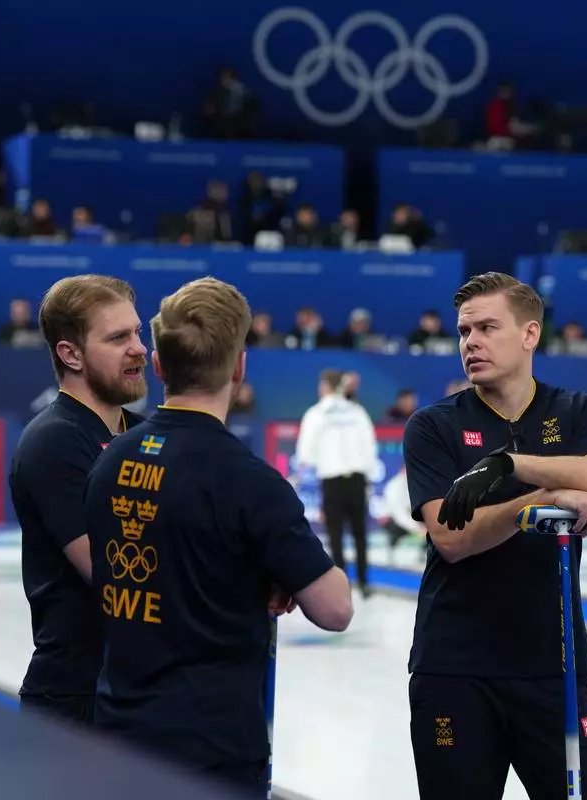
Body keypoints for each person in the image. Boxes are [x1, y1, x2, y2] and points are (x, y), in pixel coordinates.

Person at [83, 276, 353, 794]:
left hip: (117, 735)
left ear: (159, 366)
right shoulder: (250, 482)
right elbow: (335, 608)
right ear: (239, 367)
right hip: (211, 751)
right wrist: (282, 574)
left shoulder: (109, 459)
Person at [402, 271, 587, 800]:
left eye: (486, 328)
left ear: (529, 334)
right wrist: (545, 499)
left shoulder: (579, 411)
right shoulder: (434, 427)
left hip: (556, 666)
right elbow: (452, 539)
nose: (470, 342)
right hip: (456, 669)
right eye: (463, 331)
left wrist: (510, 466)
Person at [10, 274, 148, 725]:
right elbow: (114, 573)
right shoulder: (55, 441)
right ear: (70, 353)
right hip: (75, 702)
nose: (140, 349)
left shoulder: (144, 434)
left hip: (138, 692)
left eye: (138, 332)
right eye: (119, 337)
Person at [294, 368, 379, 597]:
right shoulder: (357, 411)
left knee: (335, 535)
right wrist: (368, 476)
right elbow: (370, 445)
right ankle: (364, 583)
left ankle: (343, 587)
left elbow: (305, 454)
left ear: (324, 387)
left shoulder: (316, 414)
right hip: (357, 479)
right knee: (361, 534)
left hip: (332, 481)